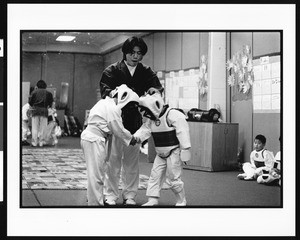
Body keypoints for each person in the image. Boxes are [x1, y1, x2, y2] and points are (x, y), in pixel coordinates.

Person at [99, 36, 163, 206]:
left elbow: (157, 88)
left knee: (131, 163)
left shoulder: (146, 71)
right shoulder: (112, 70)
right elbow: (104, 91)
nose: (135, 56)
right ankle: (110, 195)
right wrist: (117, 93)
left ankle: (130, 196)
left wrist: (153, 90)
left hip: (135, 121)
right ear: (125, 53)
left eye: (139, 53)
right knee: (113, 161)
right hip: (116, 120)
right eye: (132, 53)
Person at [81, 84, 139, 206]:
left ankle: (93, 200)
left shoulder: (105, 103)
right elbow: (118, 129)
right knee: (96, 175)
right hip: (94, 139)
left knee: (96, 173)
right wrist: (131, 139)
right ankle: (95, 204)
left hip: (94, 138)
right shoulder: (112, 108)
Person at [134, 92, 191, 206]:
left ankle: (181, 201)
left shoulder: (173, 115)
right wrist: (135, 138)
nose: (145, 114)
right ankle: (153, 199)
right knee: (155, 176)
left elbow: (182, 132)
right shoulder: (152, 119)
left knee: (174, 178)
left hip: (173, 152)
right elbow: (145, 130)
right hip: (160, 154)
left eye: (146, 110)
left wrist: (185, 149)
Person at [29, 80, 53, 147]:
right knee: (43, 128)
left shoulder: (34, 92)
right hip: (44, 111)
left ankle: (34, 142)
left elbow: (30, 103)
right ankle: (41, 142)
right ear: (45, 86)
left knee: (35, 127)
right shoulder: (49, 93)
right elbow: (50, 104)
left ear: (37, 85)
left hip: (35, 110)